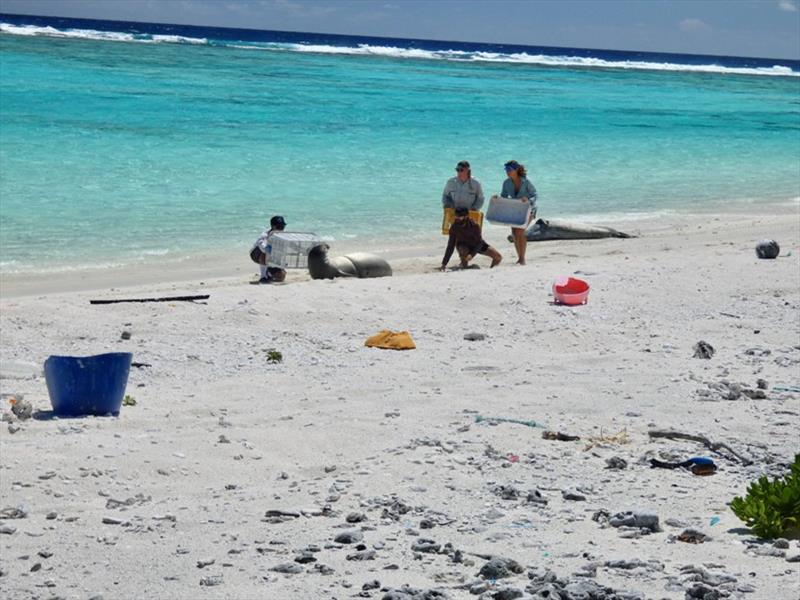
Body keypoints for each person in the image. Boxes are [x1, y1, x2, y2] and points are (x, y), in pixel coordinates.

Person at [440, 207, 502, 271]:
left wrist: (472, 255)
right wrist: (444, 264)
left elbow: (480, 242)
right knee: (463, 249)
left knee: (498, 257)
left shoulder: (475, 225)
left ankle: (490, 271)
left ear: (466, 216)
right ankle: (464, 266)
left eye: (460, 216)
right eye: (456, 216)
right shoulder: (454, 227)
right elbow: (450, 246)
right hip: (464, 246)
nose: (457, 218)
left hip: (477, 245)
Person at [501, 160, 538, 265]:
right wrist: (497, 199)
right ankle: (519, 258)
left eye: (509, 170)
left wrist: (529, 200)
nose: (507, 172)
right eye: (506, 170)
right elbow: (503, 196)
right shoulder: (506, 183)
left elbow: (535, 194)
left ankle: (522, 259)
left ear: (516, 169)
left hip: (529, 209)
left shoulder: (526, 181)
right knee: (514, 233)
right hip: (516, 210)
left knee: (520, 231)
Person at [249, 215, 287, 284]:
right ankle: (263, 277)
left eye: (283, 226)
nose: (282, 228)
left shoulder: (282, 235)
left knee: (281, 276)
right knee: (265, 251)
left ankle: (268, 273)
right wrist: (272, 250)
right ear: (273, 227)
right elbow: (262, 248)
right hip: (256, 254)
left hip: (271, 255)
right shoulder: (265, 235)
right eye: (280, 227)